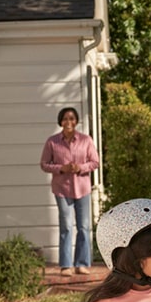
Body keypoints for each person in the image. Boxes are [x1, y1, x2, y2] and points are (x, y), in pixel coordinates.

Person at [40, 107, 100, 275]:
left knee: (84, 226)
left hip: (82, 188)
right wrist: (62, 168)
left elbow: (95, 162)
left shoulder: (86, 140)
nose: (68, 122)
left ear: (76, 121)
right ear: (60, 121)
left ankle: (82, 263)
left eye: (72, 118)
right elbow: (44, 164)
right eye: (65, 119)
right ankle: (66, 265)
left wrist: (79, 167)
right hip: (62, 189)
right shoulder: (52, 142)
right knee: (66, 226)